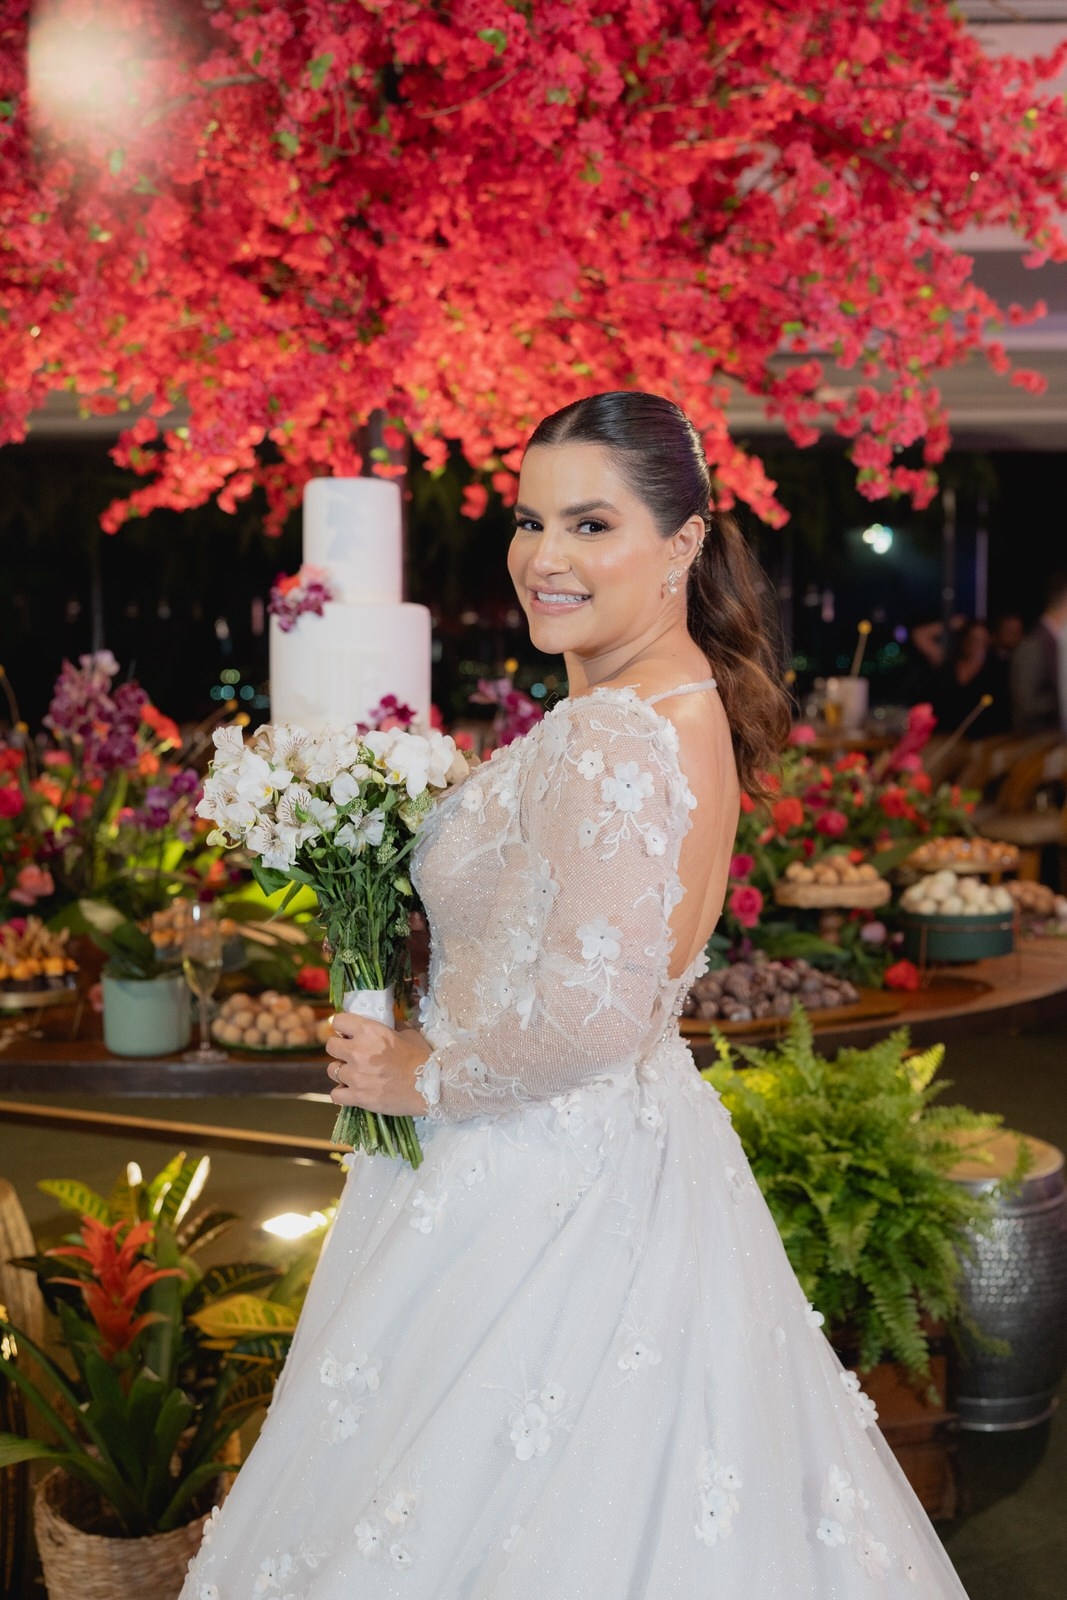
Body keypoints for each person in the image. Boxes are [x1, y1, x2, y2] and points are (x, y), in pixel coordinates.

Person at [182, 393, 973, 1599]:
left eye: (590, 523)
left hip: (534, 1188)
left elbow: (596, 1016)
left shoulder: (615, 731)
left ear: (684, 543)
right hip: (606, 1160)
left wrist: (417, 1071)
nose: (543, 558)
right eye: (527, 521)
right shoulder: (671, 700)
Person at [1010, 572, 1067, 735]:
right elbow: (1027, 703)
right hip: (1036, 746)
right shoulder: (1033, 645)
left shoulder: (1058, 642)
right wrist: (1062, 700)